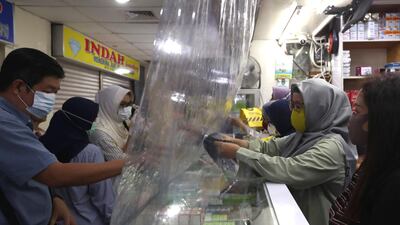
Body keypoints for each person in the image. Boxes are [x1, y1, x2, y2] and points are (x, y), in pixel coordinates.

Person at [0, 48, 124, 225]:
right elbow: (53, 173)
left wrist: (55, 197)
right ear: (19, 87)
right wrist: (129, 163)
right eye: (48, 91)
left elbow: (32, 171)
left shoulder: (22, 123)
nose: (51, 100)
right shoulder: (4, 124)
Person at [213, 78, 356, 225]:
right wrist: (232, 142)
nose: (294, 112)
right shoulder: (302, 136)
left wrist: (238, 152)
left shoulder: (332, 148)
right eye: (292, 106)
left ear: (320, 109)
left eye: (299, 107)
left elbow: (288, 170)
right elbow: (268, 148)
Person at [330, 75, 400, 225]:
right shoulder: (374, 163)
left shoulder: (393, 185)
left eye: (356, 112)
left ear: (380, 119)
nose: (350, 118)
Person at [40, 97, 114, 225]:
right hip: (88, 219)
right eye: (93, 119)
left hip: (56, 219)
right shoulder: (90, 152)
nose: (94, 123)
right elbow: (103, 198)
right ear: (82, 120)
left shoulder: (40, 145)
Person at [89, 85, 134, 161]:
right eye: (122, 105)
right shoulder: (99, 133)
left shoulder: (121, 122)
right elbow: (121, 162)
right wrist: (132, 134)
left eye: (127, 105)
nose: (125, 109)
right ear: (108, 104)